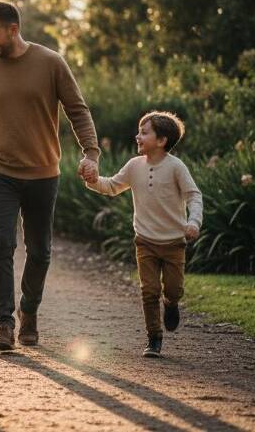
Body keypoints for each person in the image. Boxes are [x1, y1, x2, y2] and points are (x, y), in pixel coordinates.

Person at [0, 0, 101, 351]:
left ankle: (30, 311)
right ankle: (4, 324)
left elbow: (77, 110)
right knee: (2, 243)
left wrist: (91, 153)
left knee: (40, 251)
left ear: (13, 29)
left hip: (43, 173)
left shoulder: (51, 63)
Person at [85, 110, 203, 358]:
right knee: (149, 291)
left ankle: (171, 304)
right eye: (139, 131)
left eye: (144, 132)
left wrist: (193, 221)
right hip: (145, 242)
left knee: (173, 289)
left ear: (161, 141)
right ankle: (154, 338)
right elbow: (112, 186)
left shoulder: (175, 167)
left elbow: (194, 195)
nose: (137, 136)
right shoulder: (134, 166)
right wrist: (93, 179)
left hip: (173, 243)